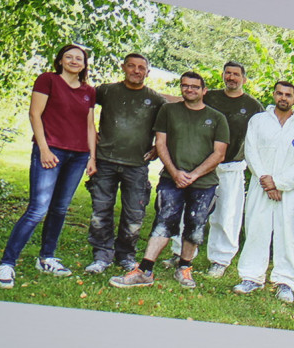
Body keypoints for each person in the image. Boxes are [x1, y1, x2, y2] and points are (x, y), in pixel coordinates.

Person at [110, 72, 228, 290]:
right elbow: (160, 144)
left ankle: (184, 268)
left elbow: (219, 154)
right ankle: (145, 270)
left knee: (195, 227)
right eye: (185, 86)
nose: (189, 90)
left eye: (194, 87)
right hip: (171, 179)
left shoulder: (217, 118)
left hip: (204, 183)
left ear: (204, 91)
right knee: (163, 222)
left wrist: (194, 175)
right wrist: (175, 172)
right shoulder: (168, 111)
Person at [0, 44, 97, 289]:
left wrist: (92, 157)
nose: (73, 61)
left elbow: (90, 126)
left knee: (60, 209)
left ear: (84, 64)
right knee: (38, 209)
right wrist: (44, 148)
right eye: (68, 57)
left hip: (78, 155)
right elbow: (34, 114)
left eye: (78, 58)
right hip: (51, 150)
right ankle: (6, 264)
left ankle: (47, 258)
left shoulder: (88, 91)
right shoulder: (48, 80)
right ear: (60, 61)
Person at [84, 53, 170, 275]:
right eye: (131, 66)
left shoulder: (156, 100)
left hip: (137, 165)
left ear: (147, 72)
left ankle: (126, 255)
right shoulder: (107, 91)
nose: (136, 70)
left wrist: (157, 149)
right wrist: (91, 133)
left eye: (141, 67)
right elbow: (81, 104)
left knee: (134, 214)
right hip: (105, 161)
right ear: (123, 67)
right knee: (101, 211)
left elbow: (170, 125)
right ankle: (101, 256)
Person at [233, 81, 294, 304]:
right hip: (261, 187)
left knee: (288, 235)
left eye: (288, 95)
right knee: (256, 229)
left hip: (288, 192)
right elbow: (251, 152)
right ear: (273, 95)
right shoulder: (258, 121)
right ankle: (251, 277)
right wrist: (267, 182)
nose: (283, 98)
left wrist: (278, 183)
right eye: (279, 93)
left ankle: (286, 282)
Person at [201, 62, 263, 278]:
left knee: (227, 215)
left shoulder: (253, 106)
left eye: (236, 74)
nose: (232, 77)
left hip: (232, 167)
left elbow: (268, 128)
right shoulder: (210, 97)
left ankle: (220, 259)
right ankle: (179, 252)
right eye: (228, 73)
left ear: (244, 79)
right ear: (223, 75)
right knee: (190, 210)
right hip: (203, 164)